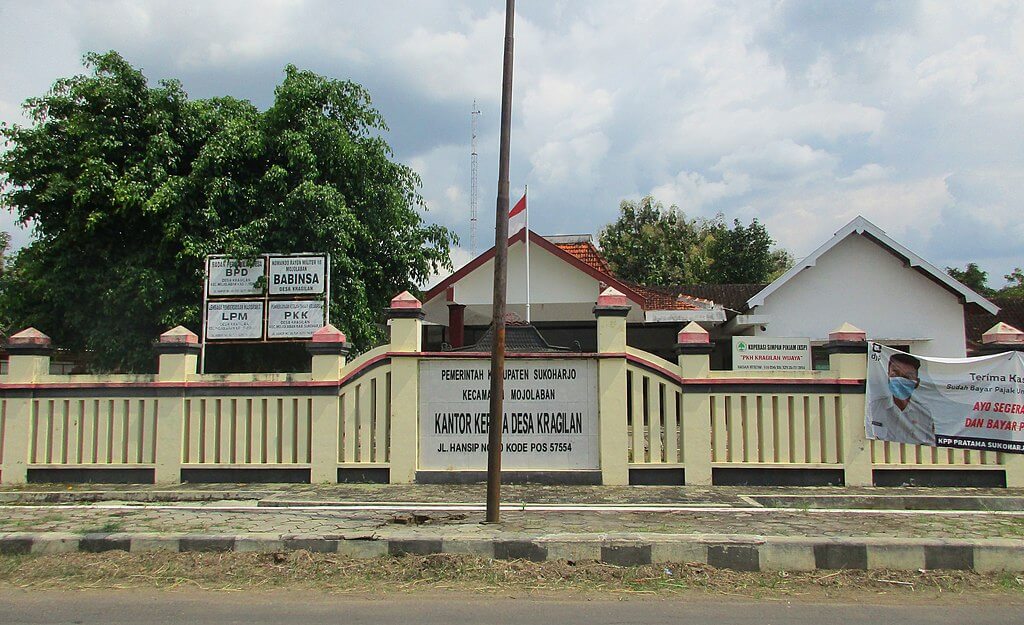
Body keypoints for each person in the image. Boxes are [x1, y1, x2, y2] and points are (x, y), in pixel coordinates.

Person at [868, 352, 936, 446]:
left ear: (917, 382)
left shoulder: (924, 414)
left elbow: (930, 447)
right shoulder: (874, 408)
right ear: (888, 376)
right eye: (895, 374)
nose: (900, 380)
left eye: (907, 377)